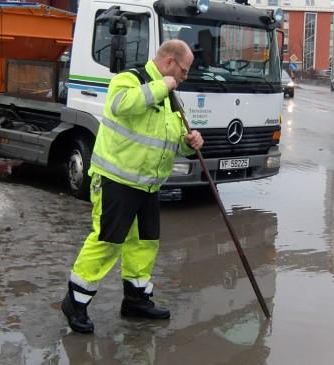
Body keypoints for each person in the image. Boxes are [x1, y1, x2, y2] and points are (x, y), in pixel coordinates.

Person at [61, 40, 203, 334]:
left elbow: (173, 138)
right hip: (116, 181)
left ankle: (137, 300)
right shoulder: (131, 80)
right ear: (169, 62)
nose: (185, 77)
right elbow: (121, 105)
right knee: (107, 241)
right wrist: (162, 86)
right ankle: (75, 302)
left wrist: (189, 145)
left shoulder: (171, 98)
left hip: (147, 186)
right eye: (184, 71)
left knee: (144, 243)